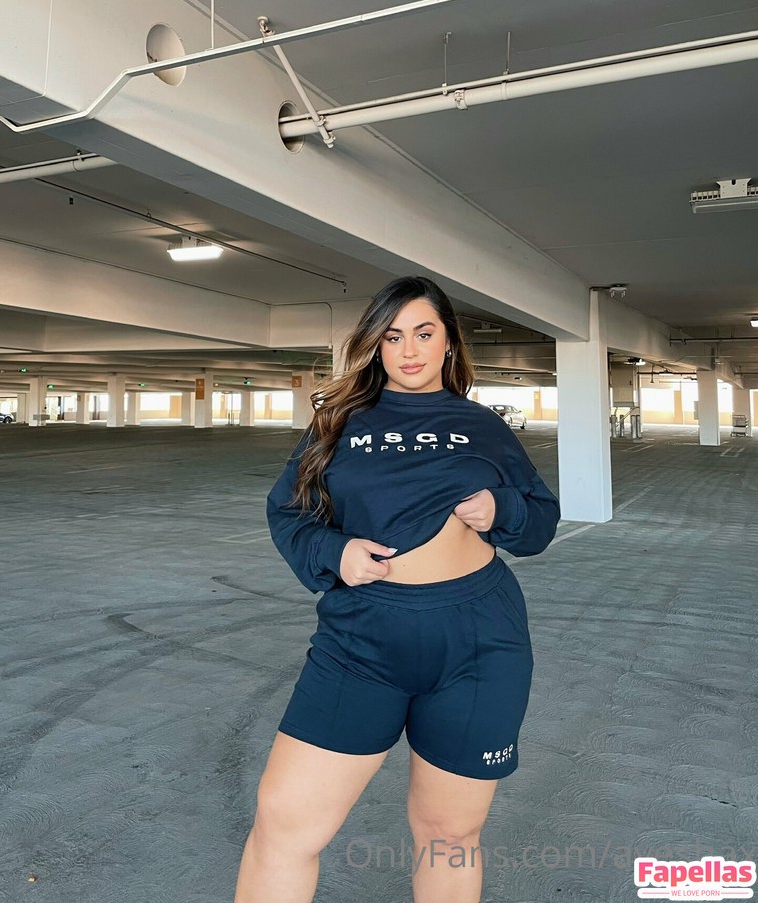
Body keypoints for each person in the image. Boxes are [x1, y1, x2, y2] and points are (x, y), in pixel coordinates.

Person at [234, 276, 560, 903]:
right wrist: (334, 552)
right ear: (376, 346)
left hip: (478, 641)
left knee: (450, 833)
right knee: (284, 824)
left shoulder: (484, 427)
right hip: (362, 639)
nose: (408, 350)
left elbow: (540, 521)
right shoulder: (338, 424)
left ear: (448, 342)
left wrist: (503, 509)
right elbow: (289, 513)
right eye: (392, 337)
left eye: (423, 333)